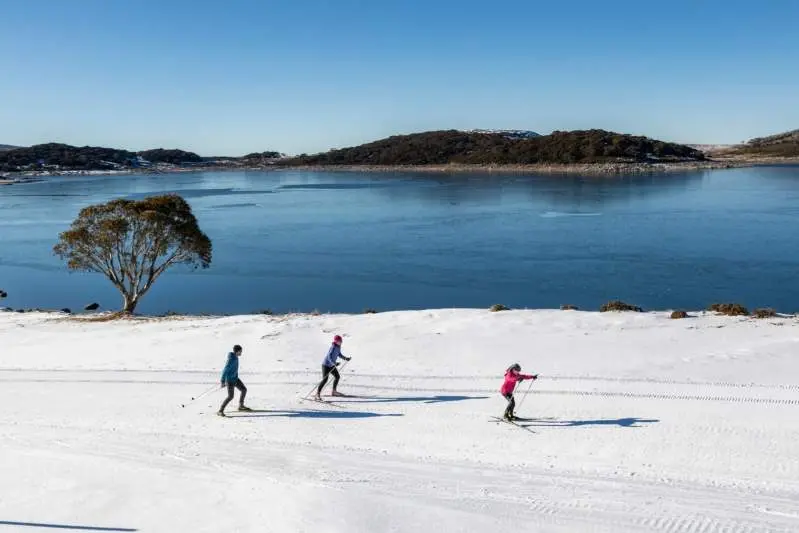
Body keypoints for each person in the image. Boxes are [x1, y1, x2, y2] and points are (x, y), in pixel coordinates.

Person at [217, 344, 251, 416]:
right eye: (240, 351)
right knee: (230, 396)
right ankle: (220, 410)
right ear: (237, 351)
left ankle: (241, 406)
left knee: (244, 389)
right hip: (230, 380)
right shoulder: (231, 359)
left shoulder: (235, 357)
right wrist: (222, 381)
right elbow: (225, 370)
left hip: (235, 378)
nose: (241, 352)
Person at [315, 335, 351, 399]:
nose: (341, 342)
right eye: (339, 341)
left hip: (331, 365)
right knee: (325, 379)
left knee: (337, 377)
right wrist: (334, 363)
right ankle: (318, 393)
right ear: (336, 341)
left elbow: (339, 354)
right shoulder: (333, 347)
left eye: (341, 341)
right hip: (326, 365)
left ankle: (334, 391)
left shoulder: (338, 347)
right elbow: (329, 356)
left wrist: (345, 358)